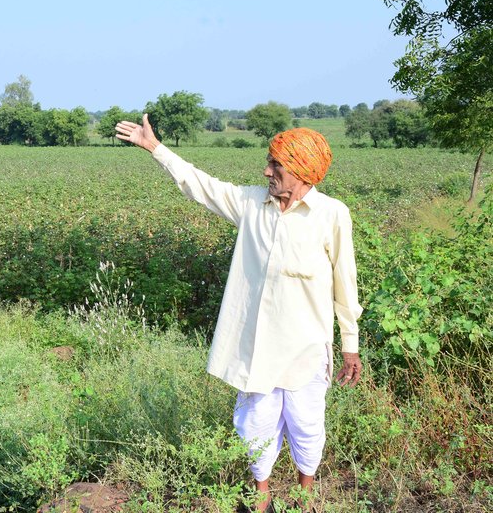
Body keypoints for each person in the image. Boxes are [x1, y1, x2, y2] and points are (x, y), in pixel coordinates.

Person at [115, 115, 363, 512]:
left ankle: (305, 498)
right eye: (268, 162)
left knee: (307, 426)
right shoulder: (251, 204)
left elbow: (344, 284)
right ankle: (261, 497)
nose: (267, 171)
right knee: (255, 428)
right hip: (258, 347)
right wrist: (155, 148)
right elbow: (200, 185)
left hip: (307, 348)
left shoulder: (332, 215)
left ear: (301, 171)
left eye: (276, 165)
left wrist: (350, 346)